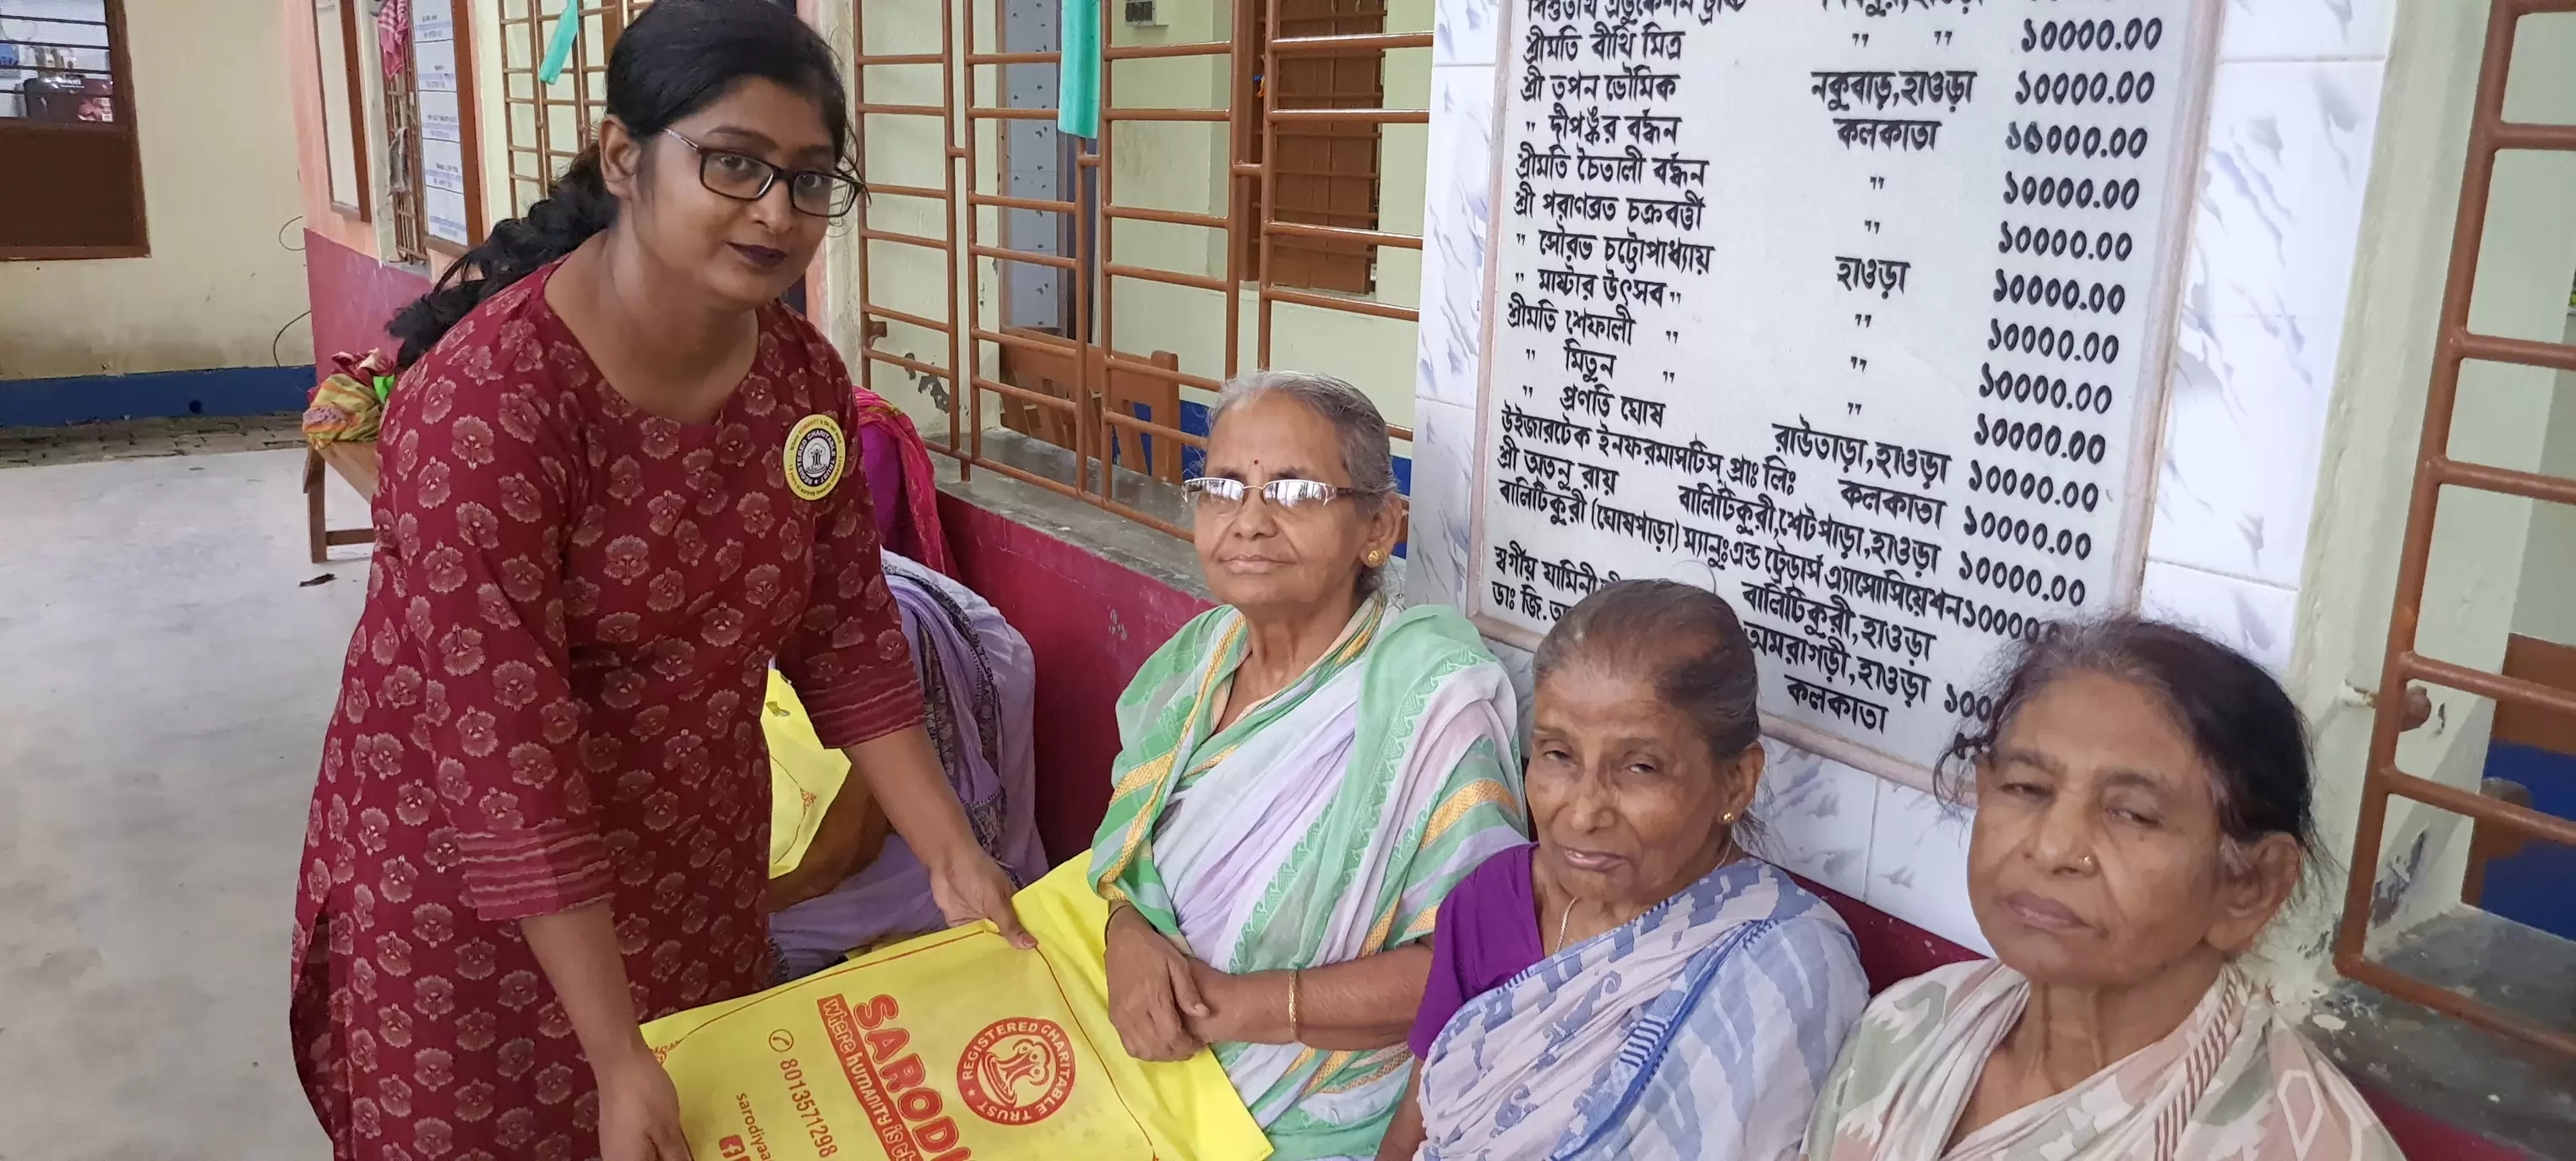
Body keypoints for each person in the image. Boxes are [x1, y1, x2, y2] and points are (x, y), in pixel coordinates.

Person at [289, 5, 1026, 1160]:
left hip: (692, 870)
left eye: (810, 178)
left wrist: (952, 853)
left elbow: (844, 633)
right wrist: (614, 1048)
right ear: (625, 158)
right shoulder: (491, 405)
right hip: (471, 898)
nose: (775, 212)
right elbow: (504, 747)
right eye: (733, 163)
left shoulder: (798, 381)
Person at [1090, 370, 1528, 1160]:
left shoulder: (1431, 700)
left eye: (1294, 492)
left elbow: (1473, 961)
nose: (1249, 521)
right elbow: (1128, 839)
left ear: (1377, 527)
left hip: (1316, 1117)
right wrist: (1125, 931)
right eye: (1223, 487)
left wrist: (1239, 1006)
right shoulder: (1196, 659)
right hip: (1136, 1065)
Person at [1803, 618, 2403, 1161]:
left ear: (2249, 885)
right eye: (2027, 788)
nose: (2052, 847)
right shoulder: (1905, 1030)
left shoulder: (2304, 1145)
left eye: (2132, 813)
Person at [1379, 580, 1871, 1161]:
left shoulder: (1787, 965)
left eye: (1640, 768)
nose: (1583, 812)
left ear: (1736, 782)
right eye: (1558, 755)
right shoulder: (1493, 899)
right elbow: (1415, 1125)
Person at [766, 547, 1048, 978]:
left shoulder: (871, 637)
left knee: (969, 885)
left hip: (945, 671)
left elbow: (846, 849)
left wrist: (714, 921)